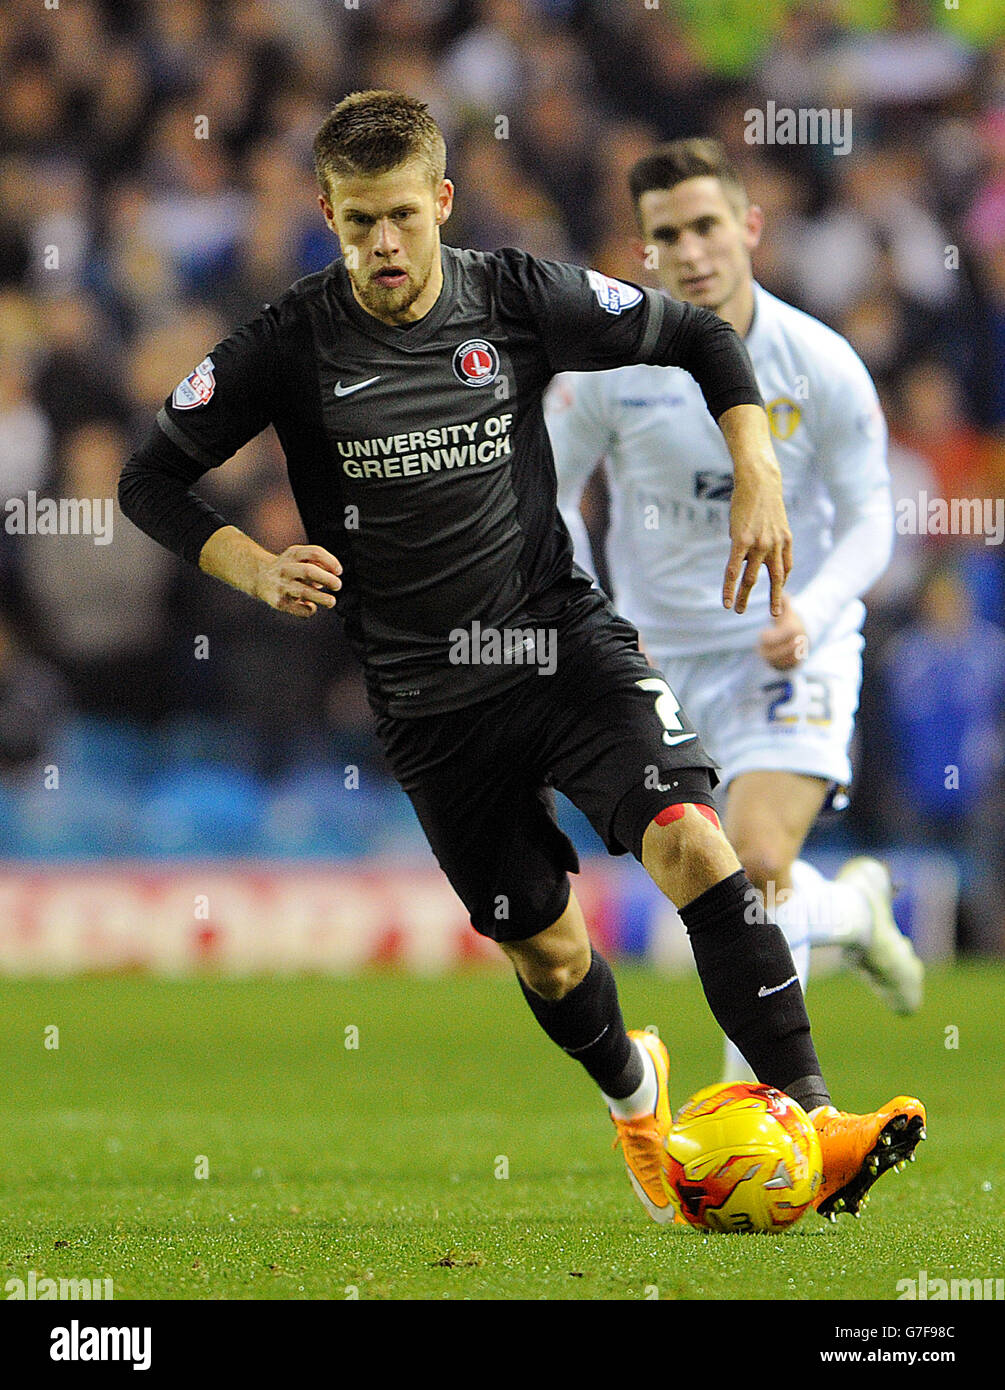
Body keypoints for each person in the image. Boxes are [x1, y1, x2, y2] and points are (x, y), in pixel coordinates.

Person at [119, 91, 925, 1225]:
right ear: (326, 214)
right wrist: (251, 565)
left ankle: (810, 1112)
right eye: (357, 224)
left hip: (560, 645)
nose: (383, 246)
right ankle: (637, 1101)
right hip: (428, 702)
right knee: (548, 957)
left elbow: (698, 335)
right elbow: (146, 478)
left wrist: (758, 468)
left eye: (402, 216)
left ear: (442, 202)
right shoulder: (287, 342)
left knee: (695, 840)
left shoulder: (515, 294)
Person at [548, 138, 924, 1084]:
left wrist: (818, 607)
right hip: (659, 660)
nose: (691, 249)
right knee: (722, 879)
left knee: (754, 858)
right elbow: (549, 493)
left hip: (789, 650)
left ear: (749, 227)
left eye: (708, 224)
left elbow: (873, 518)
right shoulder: (608, 370)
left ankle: (756, 1110)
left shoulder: (819, 363)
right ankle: (852, 913)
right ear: (644, 252)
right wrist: (592, 610)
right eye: (666, 233)